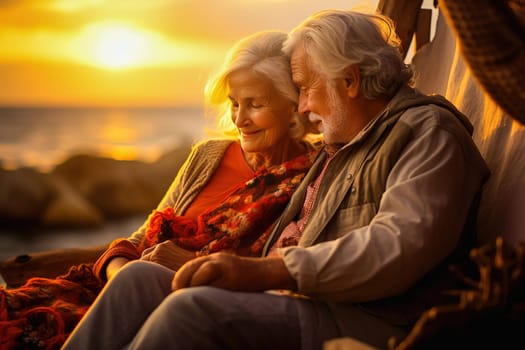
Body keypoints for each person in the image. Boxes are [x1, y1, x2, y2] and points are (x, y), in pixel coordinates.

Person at [62, 9, 490, 350]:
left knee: (193, 309)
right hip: (299, 298)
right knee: (138, 279)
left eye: (305, 88)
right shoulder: (342, 148)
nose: (303, 108)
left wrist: (270, 272)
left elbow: (399, 246)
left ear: (350, 81)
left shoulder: (426, 133)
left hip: (370, 317)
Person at [0, 30, 319, 350]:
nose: (239, 118)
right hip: (128, 292)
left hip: (203, 309)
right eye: (234, 103)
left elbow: (279, 276)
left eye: (255, 105)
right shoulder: (209, 155)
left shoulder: (315, 176)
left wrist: (186, 262)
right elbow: (140, 239)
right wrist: (122, 272)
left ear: (295, 106)